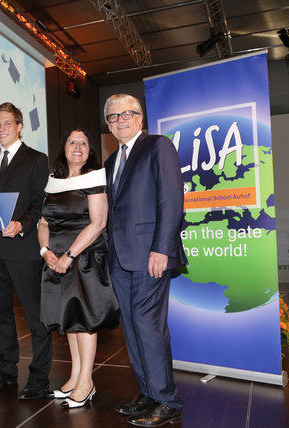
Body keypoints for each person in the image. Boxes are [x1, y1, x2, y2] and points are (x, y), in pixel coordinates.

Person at [103, 94, 187, 426]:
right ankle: (149, 392)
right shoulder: (110, 162)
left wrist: (162, 248)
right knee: (134, 329)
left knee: (149, 327)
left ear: (141, 118)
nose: (121, 120)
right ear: (108, 125)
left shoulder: (158, 146)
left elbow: (171, 199)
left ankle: (168, 401)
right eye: (113, 117)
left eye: (128, 114)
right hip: (120, 258)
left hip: (150, 254)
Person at [0, 102, 52, 400]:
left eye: (7, 123)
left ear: (19, 125)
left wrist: (21, 225)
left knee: (35, 317)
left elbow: (40, 203)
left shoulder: (36, 159)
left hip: (23, 249)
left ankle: (40, 376)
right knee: (1, 316)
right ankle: (6, 370)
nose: (1, 128)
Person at [38, 128, 119, 408]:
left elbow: (98, 223)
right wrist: (45, 251)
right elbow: (43, 223)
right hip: (56, 258)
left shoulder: (95, 178)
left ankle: (87, 382)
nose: (78, 146)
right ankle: (74, 377)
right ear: (64, 148)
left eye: (84, 142)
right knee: (70, 319)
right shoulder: (53, 182)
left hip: (83, 258)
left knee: (85, 321)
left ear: (89, 150)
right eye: (72, 141)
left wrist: (69, 255)